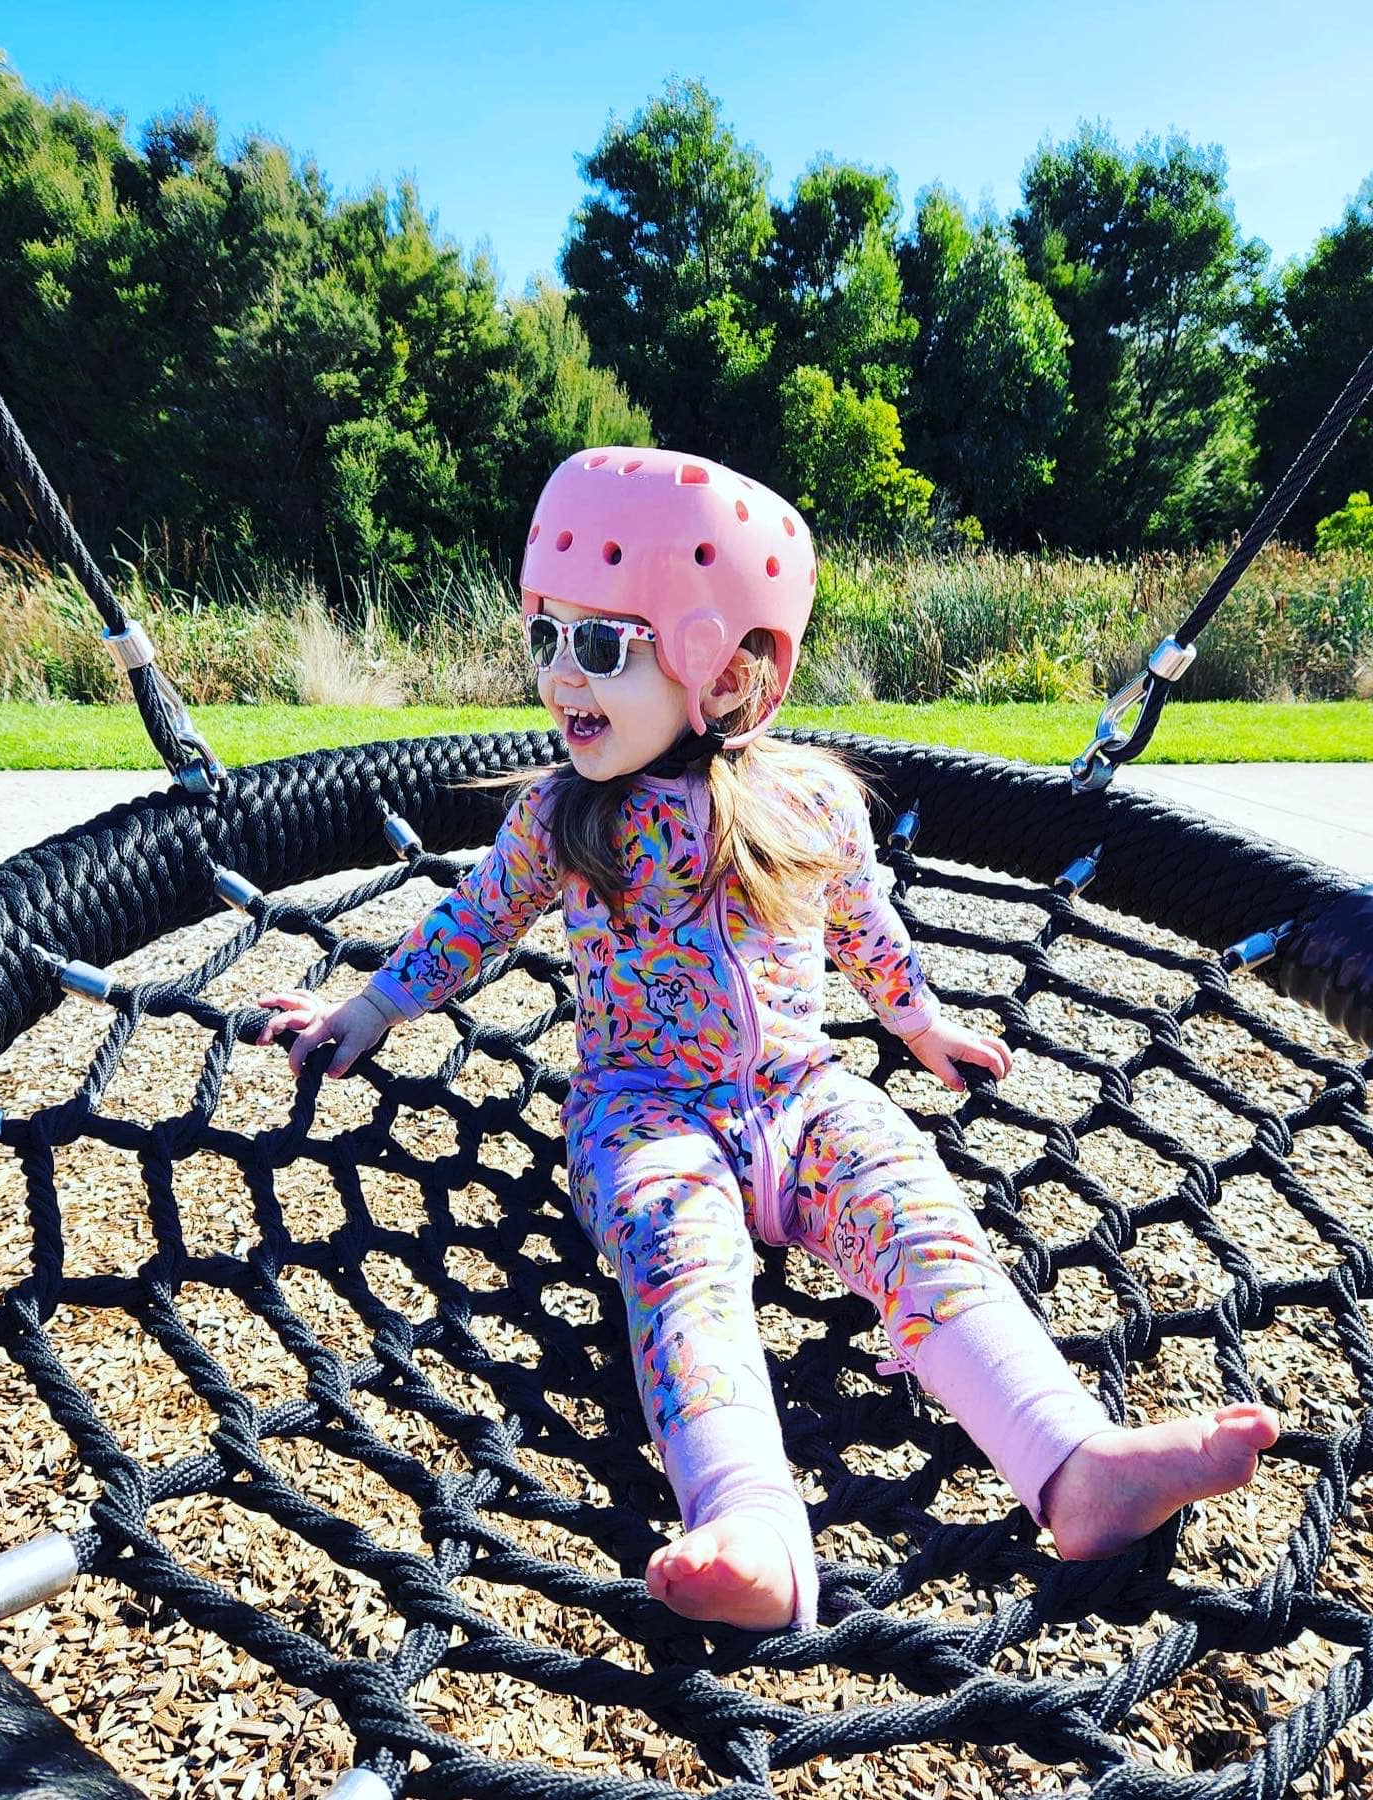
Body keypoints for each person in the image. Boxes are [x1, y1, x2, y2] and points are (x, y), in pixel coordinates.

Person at [257, 447, 1278, 1632]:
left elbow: (864, 924)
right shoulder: (561, 815)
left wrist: (918, 1020)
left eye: (602, 647)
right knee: (680, 1257)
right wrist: (368, 1010)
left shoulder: (808, 801)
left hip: (802, 1094)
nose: (559, 681)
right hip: (642, 1112)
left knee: (918, 1214)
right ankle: (746, 1518)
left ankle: (1075, 1464)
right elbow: (472, 922)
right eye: (548, 639)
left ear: (734, 676)